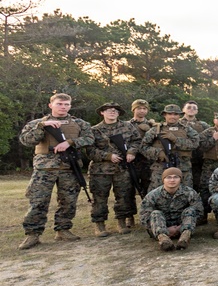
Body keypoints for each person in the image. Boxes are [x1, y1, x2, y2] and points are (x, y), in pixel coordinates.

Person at [18, 93, 96, 249]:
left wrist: (70, 142)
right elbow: (26, 140)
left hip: (69, 167)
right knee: (38, 201)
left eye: (66, 104)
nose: (63, 107)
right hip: (44, 168)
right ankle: (33, 234)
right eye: (60, 104)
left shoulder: (79, 123)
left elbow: (90, 139)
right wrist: (42, 127)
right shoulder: (37, 123)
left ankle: (63, 229)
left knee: (68, 200)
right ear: (50, 105)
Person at [88, 102, 142, 236]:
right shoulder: (94, 130)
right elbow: (89, 150)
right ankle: (99, 225)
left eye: (115, 110)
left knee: (124, 195)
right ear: (102, 112)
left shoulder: (128, 126)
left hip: (123, 168)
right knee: (99, 197)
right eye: (108, 110)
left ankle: (122, 222)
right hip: (101, 170)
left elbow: (137, 141)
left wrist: (131, 152)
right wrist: (107, 156)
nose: (112, 112)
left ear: (118, 113)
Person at [140, 167, 203, 251]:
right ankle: (164, 241)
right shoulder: (153, 195)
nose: (172, 180)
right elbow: (144, 217)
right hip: (160, 227)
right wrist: (165, 229)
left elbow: (199, 212)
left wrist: (180, 228)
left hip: (183, 226)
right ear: (163, 180)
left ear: (180, 179)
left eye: (175, 177)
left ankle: (184, 239)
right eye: (169, 177)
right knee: (155, 213)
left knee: (191, 210)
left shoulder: (190, 193)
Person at [141, 104, 200, 188]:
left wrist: (175, 139)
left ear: (179, 115)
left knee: (184, 194)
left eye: (175, 114)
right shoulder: (156, 130)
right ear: (165, 115)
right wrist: (158, 152)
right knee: (157, 194)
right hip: (160, 168)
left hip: (182, 168)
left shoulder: (187, 129)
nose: (173, 116)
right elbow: (143, 147)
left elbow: (195, 144)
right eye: (170, 114)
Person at [127, 99, 155, 201]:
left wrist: (150, 130)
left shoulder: (153, 125)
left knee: (148, 187)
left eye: (144, 109)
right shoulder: (126, 125)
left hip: (147, 161)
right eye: (139, 108)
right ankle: (130, 214)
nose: (142, 111)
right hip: (131, 160)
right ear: (133, 109)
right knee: (129, 188)